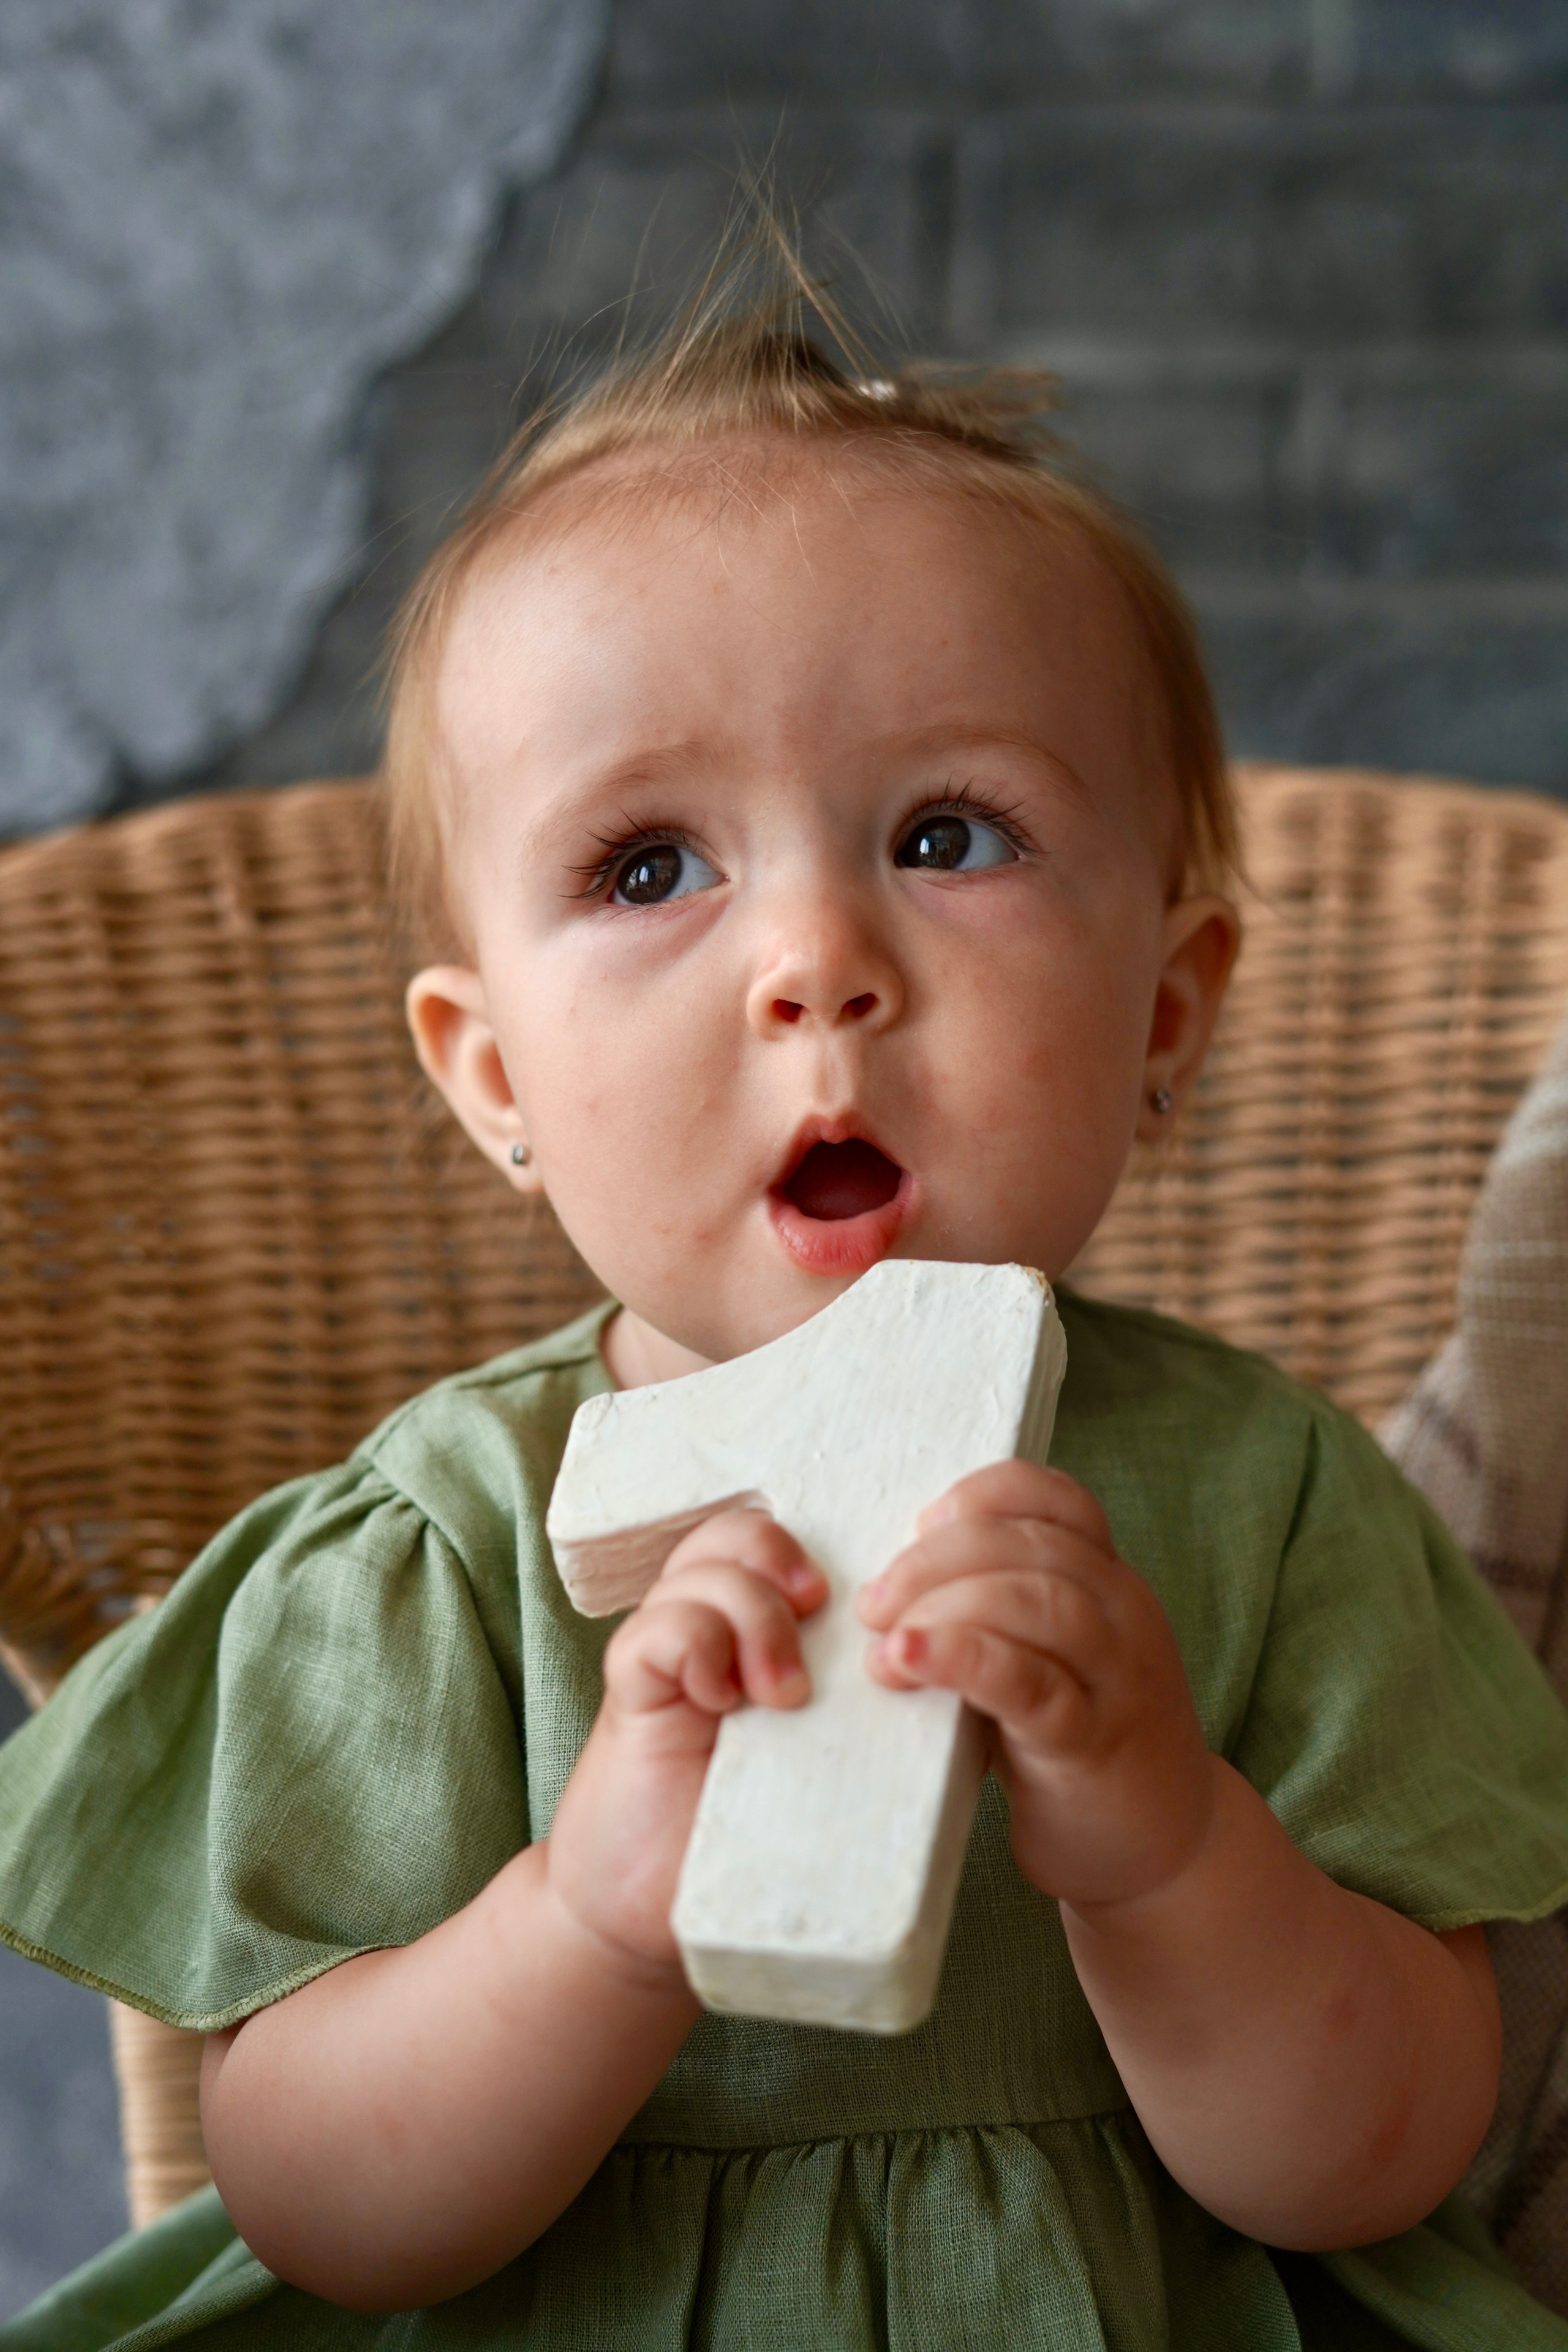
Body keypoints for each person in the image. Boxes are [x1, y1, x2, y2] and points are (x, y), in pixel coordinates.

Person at [2, 249, 1568, 2352]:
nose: (819, 959)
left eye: (950, 833)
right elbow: (310, 2200)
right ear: (496, 1081)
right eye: (651, 867)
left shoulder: (1273, 1510)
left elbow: (1385, 2155)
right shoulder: (444, 1550)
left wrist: (1166, 1845)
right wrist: (588, 1918)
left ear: (1165, 1014)